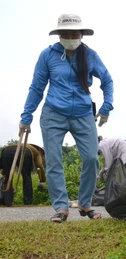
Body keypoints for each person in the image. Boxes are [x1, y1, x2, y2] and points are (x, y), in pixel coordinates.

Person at [19, 13, 114, 222]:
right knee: (54, 161)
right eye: (66, 33)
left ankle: (85, 203)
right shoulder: (48, 55)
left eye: (75, 33)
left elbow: (107, 80)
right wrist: (26, 116)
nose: (71, 36)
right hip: (54, 113)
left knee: (91, 159)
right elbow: (37, 87)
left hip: (83, 114)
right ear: (59, 34)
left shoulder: (90, 55)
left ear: (81, 34)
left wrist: (107, 107)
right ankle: (61, 207)